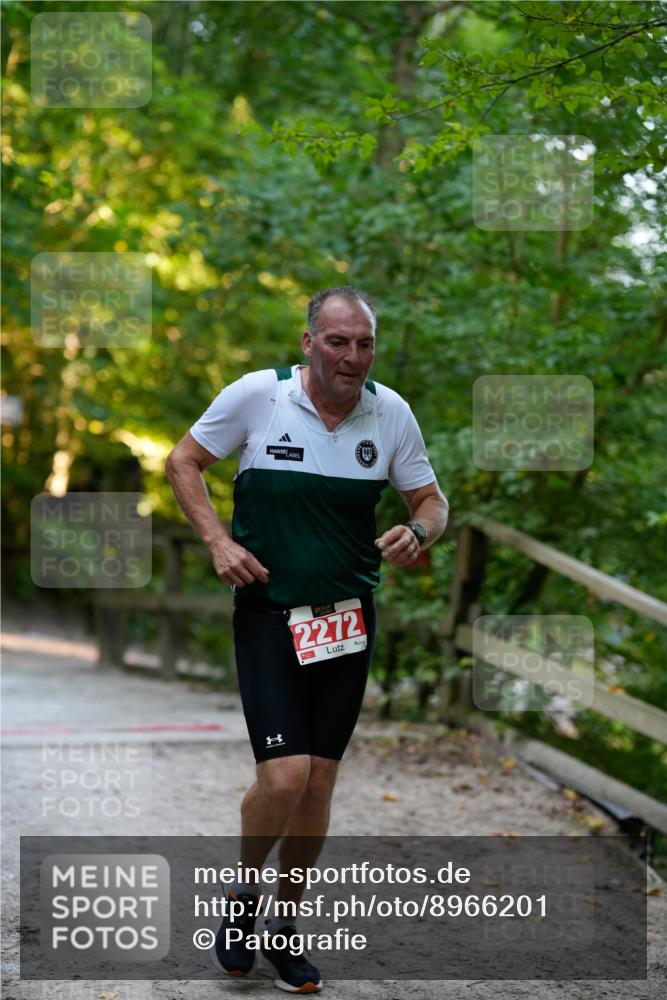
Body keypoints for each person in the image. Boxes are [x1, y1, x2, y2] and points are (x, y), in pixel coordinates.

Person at [165, 285, 449, 993]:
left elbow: (431, 501)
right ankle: (242, 899)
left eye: (363, 344)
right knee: (283, 778)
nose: (351, 356)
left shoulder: (391, 414)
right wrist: (216, 542)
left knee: (319, 782)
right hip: (268, 613)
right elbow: (182, 462)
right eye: (337, 341)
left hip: (344, 621)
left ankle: (285, 927)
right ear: (308, 342)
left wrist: (417, 531)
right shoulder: (258, 397)